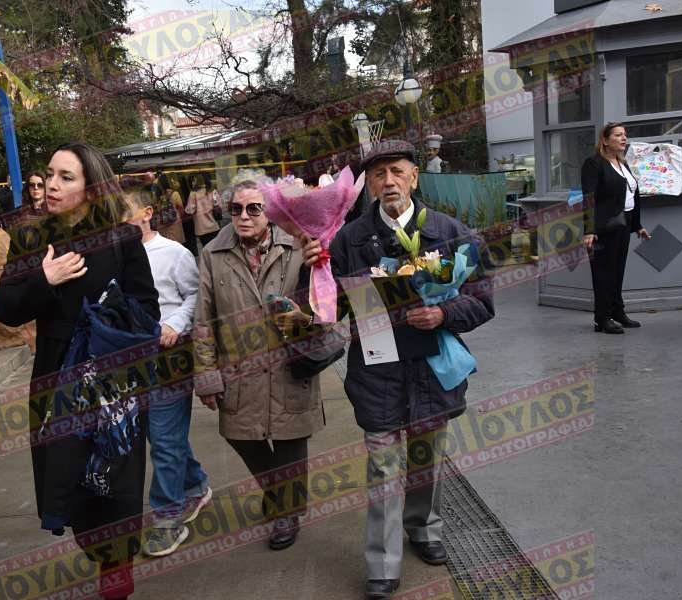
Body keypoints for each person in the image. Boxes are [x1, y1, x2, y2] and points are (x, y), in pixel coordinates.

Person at [303, 139, 494, 600]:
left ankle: (424, 527)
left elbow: (483, 298)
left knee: (427, 459)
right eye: (378, 174)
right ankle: (382, 564)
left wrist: (443, 313)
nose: (388, 181)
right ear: (368, 184)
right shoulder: (347, 239)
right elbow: (331, 309)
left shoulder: (450, 232)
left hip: (431, 371)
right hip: (377, 373)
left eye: (397, 172)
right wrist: (315, 272)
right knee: (383, 468)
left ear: (414, 177)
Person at [0, 142, 159, 600]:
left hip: (113, 383)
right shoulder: (30, 239)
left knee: (117, 478)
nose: (52, 185)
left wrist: (106, 319)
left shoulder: (122, 240)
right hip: (54, 379)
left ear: (91, 186)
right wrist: (45, 281)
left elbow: (148, 309)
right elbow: (4, 307)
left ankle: (117, 567)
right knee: (67, 476)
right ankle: (97, 547)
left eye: (67, 177)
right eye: (50, 174)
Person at [193, 176, 325, 551]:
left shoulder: (299, 243)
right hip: (239, 367)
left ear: (270, 211)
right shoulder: (213, 253)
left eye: (254, 208)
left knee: (289, 442)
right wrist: (206, 376)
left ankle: (287, 514)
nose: (244, 216)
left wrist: (306, 317)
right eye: (235, 209)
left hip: (288, 362)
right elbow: (203, 320)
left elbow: (324, 302)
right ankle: (277, 493)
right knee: (241, 435)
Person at [120, 186, 212, 557]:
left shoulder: (174, 253)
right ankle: (196, 484)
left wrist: (174, 324)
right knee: (162, 436)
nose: (117, 219)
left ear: (146, 212)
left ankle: (167, 517)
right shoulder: (112, 258)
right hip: (129, 362)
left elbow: (196, 296)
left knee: (163, 439)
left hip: (169, 358)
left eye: (124, 210)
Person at [581, 122, 651, 334]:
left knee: (617, 270)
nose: (624, 138)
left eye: (625, 135)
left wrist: (637, 225)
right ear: (605, 140)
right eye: (618, 135)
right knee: (603, 273)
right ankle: (602, 319)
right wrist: (589, 230)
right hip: (603, 227)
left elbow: (631, 195)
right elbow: (589, 198)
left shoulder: (622, 163)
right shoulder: (594, 163)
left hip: (623, 224)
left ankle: (617, 312)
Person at [185, 174, 221, 251]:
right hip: (214, 225)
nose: (193, 182)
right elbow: (219, 205)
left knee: (207, 250)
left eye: (194, 180)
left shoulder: (193, 194)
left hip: (202, 228)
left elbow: (190, 210)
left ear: (198, 181)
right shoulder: (213, 191)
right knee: (217, 248)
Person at [154, 173, 187, 244]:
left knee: (169, 244)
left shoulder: (158, 197)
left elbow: (158, 210)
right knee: (178, 243)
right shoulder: (175, 194)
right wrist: (179, 216)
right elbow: (181, 208)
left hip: (164, 224)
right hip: (175, 223)